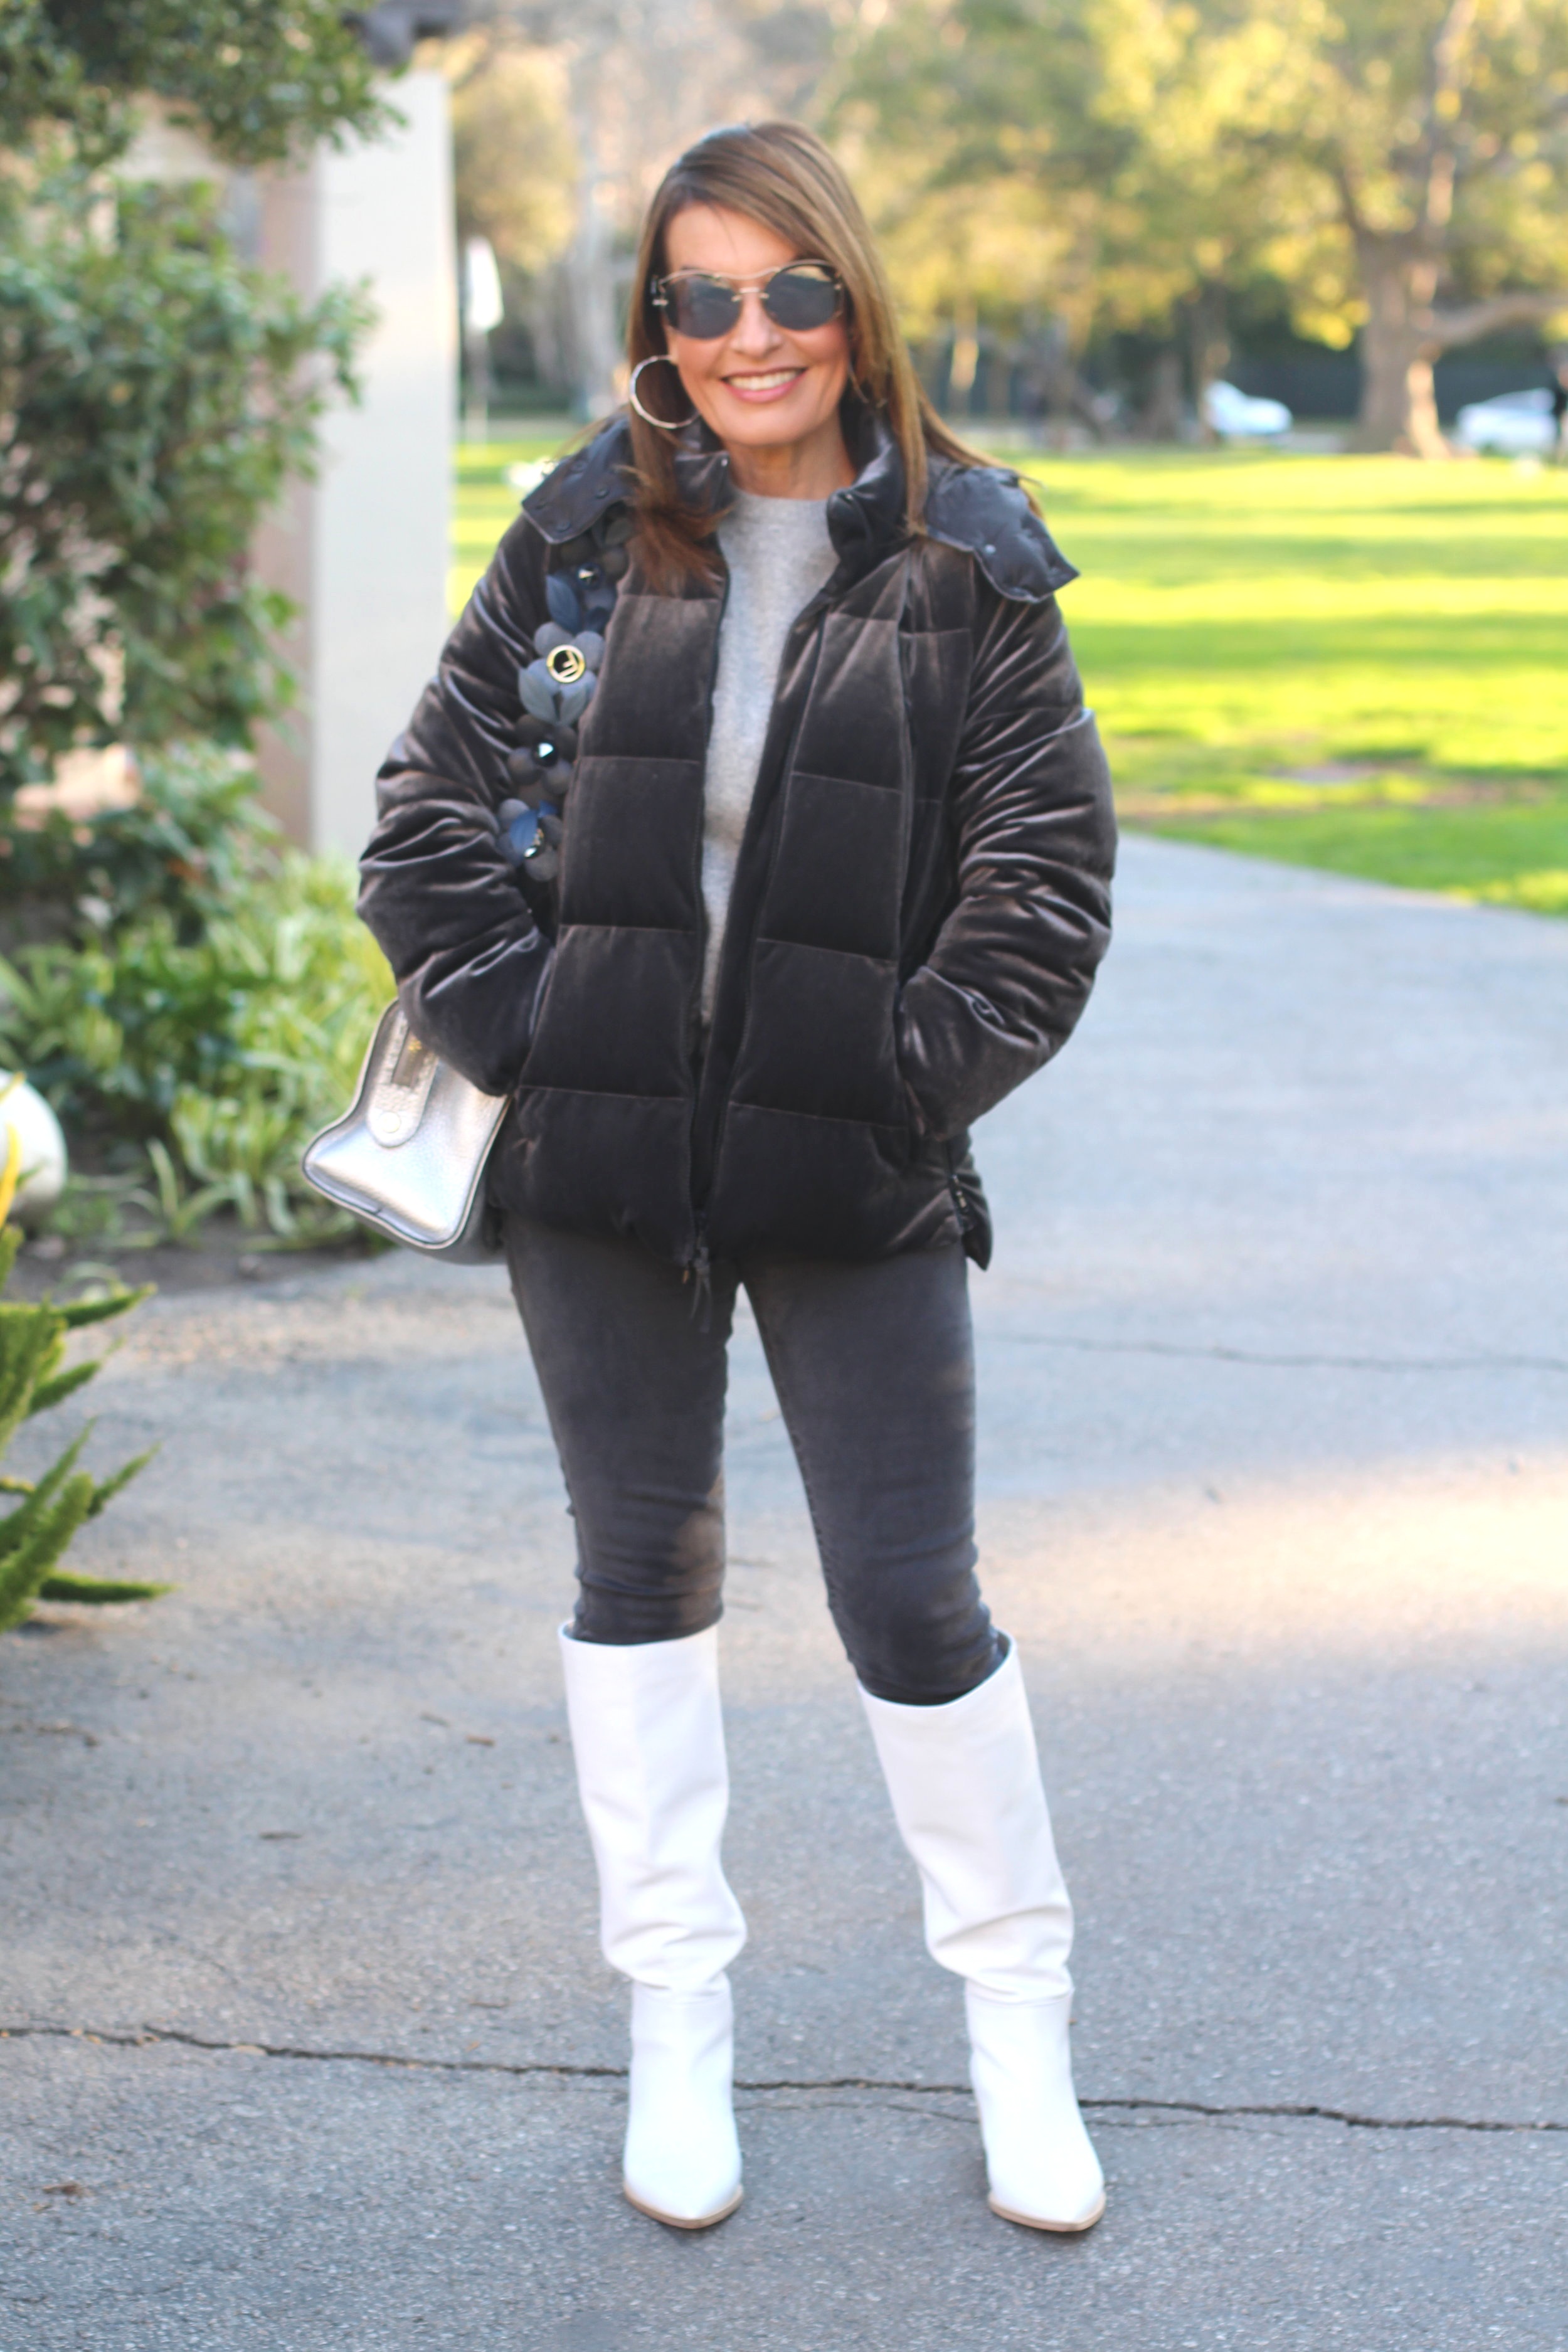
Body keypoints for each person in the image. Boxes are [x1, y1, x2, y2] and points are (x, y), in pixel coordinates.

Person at [359, 121, 1116, 2236]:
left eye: (788, 290)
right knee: (638, 1580)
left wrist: (894, 1084)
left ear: (851, 302)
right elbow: (420, 818)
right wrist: (546, 1045)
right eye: (701, 297)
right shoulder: (587, 527)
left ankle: (1015, 2034)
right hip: (599, 1171)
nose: (748, 335)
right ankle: (676, 2032)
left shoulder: (968, 560)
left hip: (850, 1167)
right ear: (656, 326)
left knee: (908, 1598)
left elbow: (1043, 892)